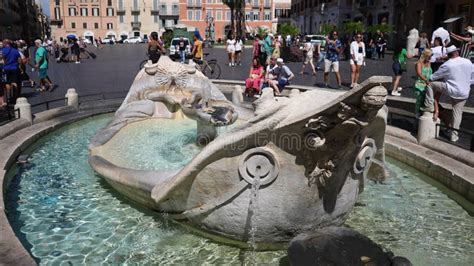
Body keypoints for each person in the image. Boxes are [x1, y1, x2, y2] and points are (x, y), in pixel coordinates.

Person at [422, 45, 473, 142]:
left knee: (430, 84)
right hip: (464, 91)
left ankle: (429, 106)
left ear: (448, 55)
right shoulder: (468, 61)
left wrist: (429, 78)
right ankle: (454, 136)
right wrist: (466, 83)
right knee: (457, 113)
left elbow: (433, 77)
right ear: (457, 52)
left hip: (451, 89)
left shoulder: (448, 64)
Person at [1, 39, 23, 104]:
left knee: (7, 83)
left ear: (5, 43)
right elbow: (19, 60)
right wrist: (20, 68)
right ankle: (16, 97)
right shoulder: (15, 50)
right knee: (14, 82)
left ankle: (8, 97)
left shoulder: (2, 51)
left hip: (6, 68)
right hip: (14, 68)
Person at [413, 49, 433, 117]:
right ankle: (417, 114)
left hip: (427, 84)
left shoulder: (429, 63)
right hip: (420, 84)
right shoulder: (419, 63)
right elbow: (419, 74)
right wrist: (426, 80)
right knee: (420, 100)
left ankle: (423, 114)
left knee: (426, 101)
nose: (431, 57)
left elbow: (430, 73)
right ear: (426, 55)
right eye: (430, 56)